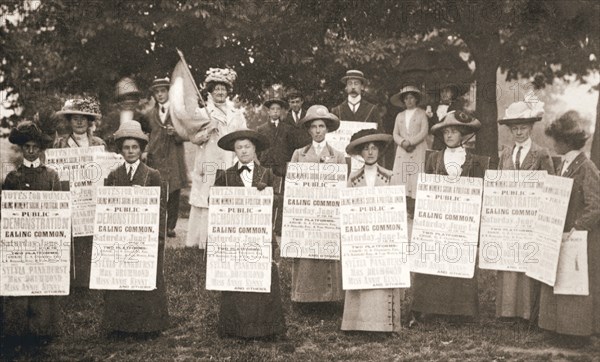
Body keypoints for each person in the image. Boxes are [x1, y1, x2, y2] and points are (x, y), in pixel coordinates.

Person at [410, 111, 488, 323]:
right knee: (433, 261)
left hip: (462, 223)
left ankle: (460, 312)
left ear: (463, 134)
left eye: (454, 131)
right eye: (446, 132)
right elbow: (426, 191)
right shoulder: (434, 158)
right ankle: (428, 308)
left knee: (460, 261)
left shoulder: (474, 162)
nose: (450, 135)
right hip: (437, 221)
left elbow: (479, 195)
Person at [212, 129, 286, 339]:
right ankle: (234, 327)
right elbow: (214, 204)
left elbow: (279, 202)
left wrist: (268, 194)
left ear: (255, 149)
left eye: (247, 147)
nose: (243, 151)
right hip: (235, 239)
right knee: (236, 281)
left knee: (264, 280)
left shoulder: (268, 174)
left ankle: (267, 328)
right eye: (239, 148)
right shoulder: (225, 176)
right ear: (234, 151)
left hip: (261, 237)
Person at [102, 121, 169, 336]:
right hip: (121, 238)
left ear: (141, 149)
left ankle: (148, 326)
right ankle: (120, 325)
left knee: (146, 280)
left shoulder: (152, 175)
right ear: (120, 150)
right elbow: (107, 209)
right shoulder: (113, 176)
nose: (130, 152)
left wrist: (158, 237)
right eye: (126, 148)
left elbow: (160, 208)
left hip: (145, 238)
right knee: (121, 279)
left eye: (134, 147)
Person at [539, 111, 600, 342]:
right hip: (560, 232)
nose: (553, 143)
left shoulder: (586, 167)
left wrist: (578, 226)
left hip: (578, 237)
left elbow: (596, 204)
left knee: (575, 283)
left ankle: (576, 332)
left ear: (566, 141)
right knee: (559, 279)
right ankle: (556, 327)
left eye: (556, 139)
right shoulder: (564, 164)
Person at [1, 121, 62, 348]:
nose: (31, 150)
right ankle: (16, 332)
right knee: (19, 284)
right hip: (19, 242)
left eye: (35, 147)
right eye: (27, 146)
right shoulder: (13, 178)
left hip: (44, 241)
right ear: (22, 148)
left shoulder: (51, 177)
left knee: (42, 284)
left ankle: (41, 332)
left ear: (41, 149)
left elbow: (58, 211)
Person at [495, 100, 554, 323]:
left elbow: (550, 185)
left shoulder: (541, 153)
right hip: (509, 217)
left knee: (528, 260)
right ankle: (508, 311)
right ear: (510, 130)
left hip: (531, 218)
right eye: (515, 128)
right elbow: (498, 183)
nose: (519, 132)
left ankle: (529, 312)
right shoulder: (505, 153)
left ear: (531, 128)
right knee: (510, 260)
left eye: (523, 128)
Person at [340, 129, 402, 332]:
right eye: (365, 148)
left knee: (382, 279)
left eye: (374, 148)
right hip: (361, 238)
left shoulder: (390, 177)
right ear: (360, 152)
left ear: (380, 151)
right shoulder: (353, 178)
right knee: (360, 275)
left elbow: (396, 212)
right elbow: (347, 211)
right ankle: (356, 322)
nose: (370, 152)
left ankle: (383, 324)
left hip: (383, 238)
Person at [290, 105, 345, 305]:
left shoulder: (338, 156)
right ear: (309, 130)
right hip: (306, 214)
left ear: (327, 129)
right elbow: (293, 184)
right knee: (307, 256)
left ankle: (330, 298)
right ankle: (304, 298)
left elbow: (342, 187)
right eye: (314, 127)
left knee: (327, 254)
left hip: (328, 215)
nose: (318, 130)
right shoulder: (299, 154)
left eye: (322, 126)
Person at [186, 68, 247, 249]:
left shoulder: (236, 113)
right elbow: (193, 138)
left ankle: (225, 241)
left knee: (228, 197)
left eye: (223, 89)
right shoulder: (202, 113)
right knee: (205, 199)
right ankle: (201, 242)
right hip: (208, 162)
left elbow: (243, 136)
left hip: (230, 161)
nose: (220, 92)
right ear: (210, 91)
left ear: (228, 92)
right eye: (216, 89)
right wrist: (207, 130)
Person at [51, 97, 105, 289]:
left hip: (91, 201)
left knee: (90, 240)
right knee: (72, 240)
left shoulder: (98, 143)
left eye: (84, 118)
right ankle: (72, 282)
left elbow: (103, 172)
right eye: (75, 118)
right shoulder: (60, 144)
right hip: (70, 198)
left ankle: (90, 280)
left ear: (90, 121)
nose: (80, 122)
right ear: (69, 121)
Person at [143, 77, 188, 238]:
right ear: (154, 95)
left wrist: (175, 133)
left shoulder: (178, 113)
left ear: (168, 92)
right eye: (157, 92)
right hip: (156, 157)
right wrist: (146, 150)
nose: (160, 95)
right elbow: (146, 134)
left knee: (174, 191)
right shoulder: (149, 114)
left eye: (163, 91)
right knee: (158, 190)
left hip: (173, 156)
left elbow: (187, 134)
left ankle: (170, 226)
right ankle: (159, 224)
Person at [390, 85, 429, 216]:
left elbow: (424, 131)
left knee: (416, 177)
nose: (409, 101)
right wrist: (403, 142)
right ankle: (403, 207)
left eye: (411, 98)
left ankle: (414, 208)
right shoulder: (399, 116)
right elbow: (395, 133)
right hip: (402, 151)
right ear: (403, 101)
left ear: (416, 99)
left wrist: (411, 142)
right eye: (406, 98)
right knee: (402, 177)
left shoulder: (422, 114)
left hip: (417, 149)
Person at [96, 77, 150, 152]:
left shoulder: (141, 118)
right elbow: (104, 137)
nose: (128, 102)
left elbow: (147, 137)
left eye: (132, 98)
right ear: (119, 100)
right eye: (125, 98)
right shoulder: (112, 118)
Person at [256, 97, 294, 177]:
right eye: (272, 109)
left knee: (281, 187)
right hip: (266, 165)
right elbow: (258, 150)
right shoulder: (261, 129)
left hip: (282, 166)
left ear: (280, 112)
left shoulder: (287, 128)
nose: (275, 111)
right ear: (268, 112)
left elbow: (290, 148)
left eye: (278, 109)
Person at [425, 84, 465, 150]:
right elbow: (431, 129)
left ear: (452, 93)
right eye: (442, 91)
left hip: (452, 143)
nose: (444, 94)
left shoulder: (457, 108)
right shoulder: (435, 108)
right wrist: (431, 117)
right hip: (437, 143)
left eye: (447, 91)